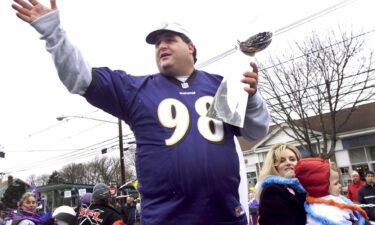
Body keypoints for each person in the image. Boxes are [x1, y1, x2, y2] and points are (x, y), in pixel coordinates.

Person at [11, 1, 270, 224]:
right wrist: (54, 33)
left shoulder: (219, 85)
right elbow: (80, 78)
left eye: (169, 39)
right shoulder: (137, 89)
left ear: (190, 47)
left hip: (225, 215)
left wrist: (253, 97)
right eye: (157, 43)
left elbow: (256, 131)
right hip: (167, 218)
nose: (161, 46)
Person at [295, 158, 368, 225]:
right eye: (336, 183)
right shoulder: (322, 211)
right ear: (321, 187)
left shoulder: (336, 199)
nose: (340, 186)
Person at [255, 143, 306, 225]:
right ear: (274, 166)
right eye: (282, 161)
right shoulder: (272, 190)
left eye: (292, 159)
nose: (288, 163)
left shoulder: (302, 188)